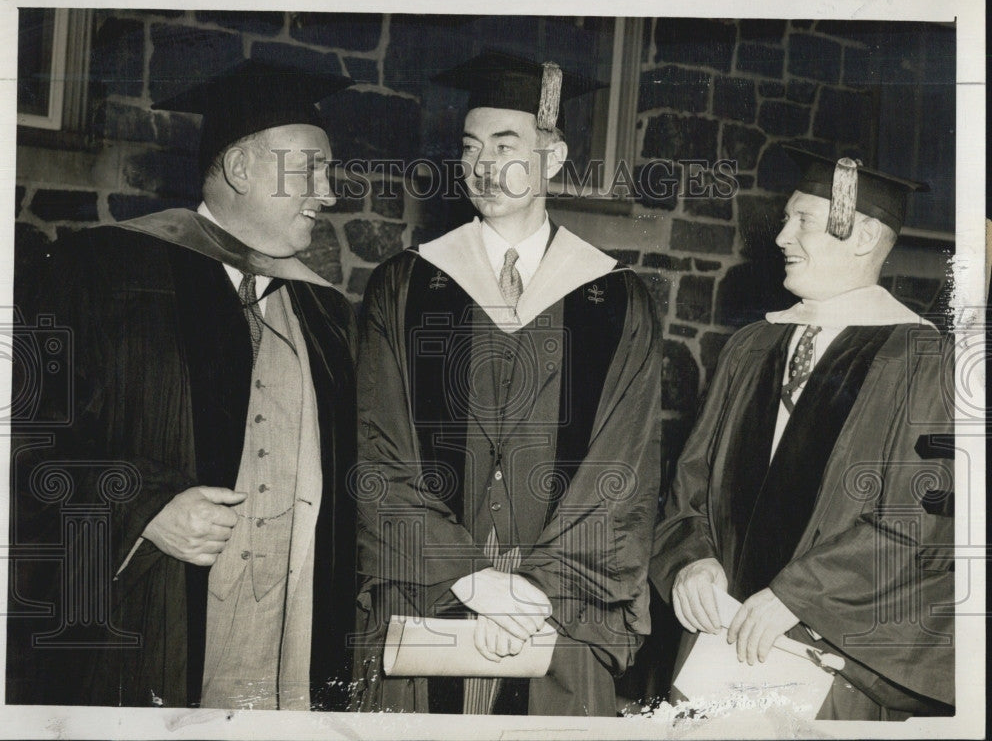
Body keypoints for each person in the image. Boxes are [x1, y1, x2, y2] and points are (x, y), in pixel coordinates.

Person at [7, 59, 359, 710]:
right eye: (309, 167)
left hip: (290, 666)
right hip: (155, 641)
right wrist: (142, 508)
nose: (329, 193)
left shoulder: (325, 316)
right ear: (240, 169)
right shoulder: (102, 273)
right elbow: (22, 446)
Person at [352, 51, 663, 716]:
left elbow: (623, 472)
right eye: (470, 148)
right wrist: (468, 577)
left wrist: (533, 593)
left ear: (553, 158)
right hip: (430, 594)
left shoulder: (619, 300)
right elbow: (380, 454)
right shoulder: (404, 287)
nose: (484, 167)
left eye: (506, 145)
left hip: (558, 610)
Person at [650, 146, 955, 720]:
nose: (782, 236)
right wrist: (691, 559)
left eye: (803, 221)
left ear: (863, 236)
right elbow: (687, 486)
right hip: (716, 647)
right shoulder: (751, 347)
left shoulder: (924, 360)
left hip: (832, 660)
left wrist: (798, 595)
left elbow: (926, 521)